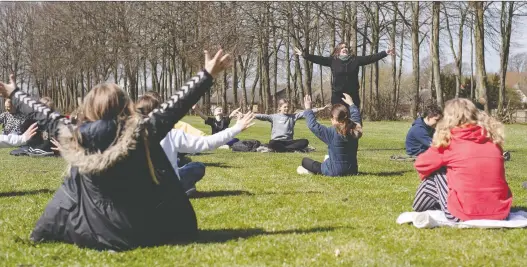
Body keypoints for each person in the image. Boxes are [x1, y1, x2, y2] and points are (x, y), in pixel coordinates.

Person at [0, 49, 231, 251]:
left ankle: (47, 230)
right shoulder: (142, 130)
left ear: (88, 108)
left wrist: (14, 93)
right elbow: (175, 104)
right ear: (125, 106)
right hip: (144, 231)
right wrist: (207, 74)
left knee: (71, 183)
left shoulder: (74, 133)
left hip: (90, 232)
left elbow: (43, 113)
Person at [412, 98, 512, 222]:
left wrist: (437, 144)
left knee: (436, 172)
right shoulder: (493, 141)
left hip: (462, 214)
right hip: (501, 213)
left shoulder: (450, 142)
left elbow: (421, 164)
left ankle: (423, 205)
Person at [136, 95, 255, 196]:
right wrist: (237, 127)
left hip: (142, 190)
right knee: (197, 166)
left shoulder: (127, 137)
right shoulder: (171, 134)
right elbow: (207, 143)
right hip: (168, 188)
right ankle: (184, 188)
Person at [295, 43, 395, 112]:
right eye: (342, 47)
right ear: (338, 51)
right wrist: (305, 55)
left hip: (353, 96)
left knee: (353, 120)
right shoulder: (333, 61)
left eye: (346, 47)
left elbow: (370, 58)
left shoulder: (355, 60)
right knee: (338, 119)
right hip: (338, 96)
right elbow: (318, 59)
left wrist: (385, 52)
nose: (345, 48)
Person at [297, 93, 362, 176]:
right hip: (352, 170)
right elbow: (356, 117)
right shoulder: (355, 128)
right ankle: (327, 161)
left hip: (334, 171)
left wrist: (308, 109)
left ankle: (312, 171)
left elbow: (313, 125)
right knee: (329, 157)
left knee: (305, 161)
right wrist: (351, 104)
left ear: (334, 118)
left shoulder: (331, 132)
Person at [254, 99, 328, 153]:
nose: (287, 108)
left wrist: (320, 109)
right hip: (277, 141)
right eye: (285, 107)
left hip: (289, 142)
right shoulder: (274, 117)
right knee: (272, 143)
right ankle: (291, 149)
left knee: (305, 141)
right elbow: (262, 116)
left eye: (288, 107)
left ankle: (285, 149)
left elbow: (305, 112)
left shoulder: (293, 117)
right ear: (280, 108)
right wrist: (247, 115)